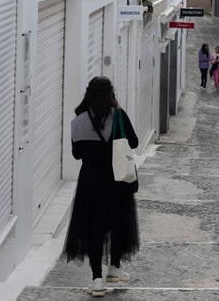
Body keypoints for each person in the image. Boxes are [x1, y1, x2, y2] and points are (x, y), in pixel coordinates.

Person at [63, 77, 140, 297]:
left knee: (93, 227)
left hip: (90, 180)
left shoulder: (78, 121)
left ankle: (97, 279)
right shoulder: (119, 116)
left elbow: (77, 154)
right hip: (116, 178)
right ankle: (114, 267)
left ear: (89, 94)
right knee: (118, 222)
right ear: (110, 93)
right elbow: (133, 142)